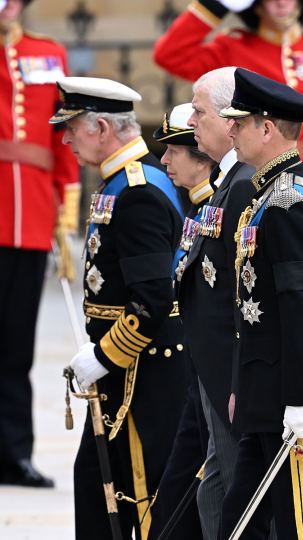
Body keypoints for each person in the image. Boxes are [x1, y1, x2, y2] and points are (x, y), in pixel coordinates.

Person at [216, 67, 303, 540]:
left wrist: (301, 399)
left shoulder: (288, 204)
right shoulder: (273, 194)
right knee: (239, 520)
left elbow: (302, 310)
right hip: (265, 393)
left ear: (267, 128)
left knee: (301, 527)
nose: (230, 130)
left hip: (287, 400)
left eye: (240, 122)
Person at [56, 77, 189, 540]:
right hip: (123, 375)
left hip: (143, 378)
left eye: (72, 126)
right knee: (97, 493)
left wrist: (103, 357)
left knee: (139, 501)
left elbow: (152, 300)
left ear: (101, 127)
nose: (65, 137)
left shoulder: (138, 192)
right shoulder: (120, 181)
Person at [153, 0, 303, 220]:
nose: (281, 2)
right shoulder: (232, 46)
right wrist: (215, 5)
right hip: (254, 181)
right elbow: (169, 54)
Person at [170, 66, 259, 540]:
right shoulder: (228, 183)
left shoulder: (243, 184)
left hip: (228, 368)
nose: (193, 120)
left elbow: (246, 291)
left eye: (199, 112)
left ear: (230, 122)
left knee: (231, 494)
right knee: (214, 489)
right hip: (211, 366)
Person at [0, 0, 79, 488]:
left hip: (29, 216)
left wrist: (63, 212)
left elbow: (60, 132)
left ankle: (12, 454)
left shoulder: (47, 53)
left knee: (14, 349)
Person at [147, 102, 219, 540]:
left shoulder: (216, 210)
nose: (164, 160)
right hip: (194, 380)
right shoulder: (197, 209)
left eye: (175, 150)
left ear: (203, 155)